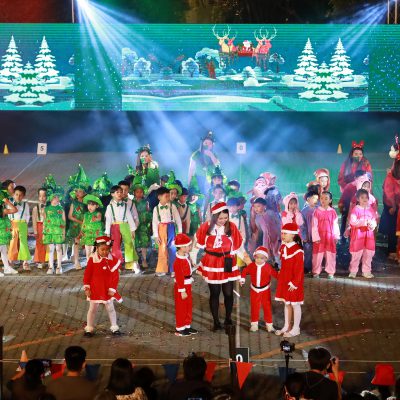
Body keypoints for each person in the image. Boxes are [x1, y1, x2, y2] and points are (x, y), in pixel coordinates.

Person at [195, 202, 242, 331]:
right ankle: (216, 322)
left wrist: (246, 261)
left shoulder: (231, 226)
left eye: (225, 218)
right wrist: (193, 259)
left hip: (227, 261)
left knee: (228, 293)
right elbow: (198, 244)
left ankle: (228, 318)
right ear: (214, 216)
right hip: (212, 263)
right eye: (220, 218)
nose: (223, 220)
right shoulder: (206, 227)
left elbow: (238, 244)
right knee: (215, 293)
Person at [83, 235, 122, 336]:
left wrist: (112, 289)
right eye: (102, 250)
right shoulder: (92, 259)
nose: (105, 252)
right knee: (92, 309)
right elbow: (87, 274)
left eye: (107, 250)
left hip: (107, 289)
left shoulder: (113, 260)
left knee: (110, 308)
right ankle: (89, 328)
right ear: (97, 248)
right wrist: (87, 287)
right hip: (95, 288)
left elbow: (115, 276)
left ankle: (114, 327)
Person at [275, 223, 304, 338]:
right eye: (282, 233)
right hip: (285, 279)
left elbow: (299, 269)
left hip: (294, 281)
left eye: (285, 233)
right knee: (287, 303)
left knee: (295, 304)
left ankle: (296, 328)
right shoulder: (283, 247)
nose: (282, 235)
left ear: (293, 235)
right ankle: (287, 326)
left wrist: (295, 283)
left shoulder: (298, 250)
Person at [240, 246, 278, 332]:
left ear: (266, 259)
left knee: (267, 307)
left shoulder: (268, 267)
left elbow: (276, 275)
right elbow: (245, 271)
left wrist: (285, 280)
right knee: (254, 307)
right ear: (254, 257)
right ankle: (254, 324)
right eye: (257, 257)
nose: (259, 260)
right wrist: (242, 279)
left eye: (262, 258)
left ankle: (269, 325)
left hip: (265, 291)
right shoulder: (252, 266)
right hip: (254, 290)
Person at [105, 185, 140, 274]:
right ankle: (117, 265)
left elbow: (129, 217)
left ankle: (132, 265)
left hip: (125, 225)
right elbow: (108, 220)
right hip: (114, 226)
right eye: (117, 192)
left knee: (129, 244)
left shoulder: (125, 205)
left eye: (121, 192)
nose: (120, 194)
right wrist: (107, 233)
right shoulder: (109, 206)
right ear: (112, 194)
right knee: (115, 246)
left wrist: (132, 229)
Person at [152, 187, 182, 277]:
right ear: (159, 197)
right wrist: (156, 236)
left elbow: (178, 219)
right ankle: (162, 269)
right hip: (161, 229)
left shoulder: (172, 206)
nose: (169, 198)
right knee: (162, 250)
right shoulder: (156, 209)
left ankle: (173, 270)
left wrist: (180, 232)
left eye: (169, 196)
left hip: (171, 228)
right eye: (166, 196)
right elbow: (154, 223)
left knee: (172, 249)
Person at [348, 189, 378, 279]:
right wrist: (364, 222)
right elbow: (352, 221)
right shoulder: (355, 209)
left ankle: (366, 271)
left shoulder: (371, 209)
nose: (365, 199)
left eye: (366, 197)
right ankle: (353, 271)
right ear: (358, 199)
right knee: (356, 254)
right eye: (362, 197)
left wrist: (372, 225)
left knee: (368, 254)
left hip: (368, 236)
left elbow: (374, 220)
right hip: (358, 236)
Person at [173, 233, 198, 336]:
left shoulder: (186, 257)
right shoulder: (178, 262)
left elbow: (187, 271)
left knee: (188, 306)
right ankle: (180, 328)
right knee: (181, 308)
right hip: (181, 287)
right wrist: (182, 291)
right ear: (182, 247)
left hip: (187, 285)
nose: (190, 247)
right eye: (188, 246)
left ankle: (187, 325)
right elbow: (179, 277)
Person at [312, 191, 340, 279]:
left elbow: (335, 225)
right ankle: (316, 272)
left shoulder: (333, 212)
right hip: (319, 238)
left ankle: (330, 272)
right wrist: (316, 237)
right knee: (317, 255)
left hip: (330, 238)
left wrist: (336, 236)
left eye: (326, 198)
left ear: (330, 200)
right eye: (321, 198)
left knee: (330, 255)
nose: (323, 200)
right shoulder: (317, 212)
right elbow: (314, 226)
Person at [380, 142, 400, 260]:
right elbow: (389, 192)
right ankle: (392, 250)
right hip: (392, 205)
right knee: (392, 228)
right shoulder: (390, 176)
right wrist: (393, 206)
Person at [188, 131, 220, 196]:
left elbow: (217, 166)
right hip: (199, 179)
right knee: (200, 196)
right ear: (202, 144)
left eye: (210, 143)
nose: (207, 145)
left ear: (212, 145)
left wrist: (211, 155)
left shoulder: (214, 155)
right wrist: (189, 183)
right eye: (206, 143)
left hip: (211, 180)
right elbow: (191, 170)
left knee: (209, 196)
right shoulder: (196, 154)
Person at [252, 197, 281, 266]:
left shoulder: (270, 213)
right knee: (267, 252)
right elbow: (260, 229)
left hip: (276, 236)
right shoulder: (257, 218)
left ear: (264, 206)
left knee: (277, 252)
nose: (256, 208)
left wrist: (280, 234)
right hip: (266, 238)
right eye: (255, 207)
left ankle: (281, 267)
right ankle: (271, 266)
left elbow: (278, 223)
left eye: (258, 206)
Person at [8, 185, 31, 271]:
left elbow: (28, 215)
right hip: (13, 224)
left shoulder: (25, 205)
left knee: (23, 243)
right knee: (12, 242)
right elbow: (8, 214)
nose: (18, 196)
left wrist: (25, 224)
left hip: (22, 224)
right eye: (16, 194)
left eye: (20, 195)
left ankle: (25, 261)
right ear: (13, 194)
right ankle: (11, 260)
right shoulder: (10, 204)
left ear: (23, 196)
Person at [43, 191, 66, 275]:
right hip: (49, 232)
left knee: (58, 249)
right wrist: (44, 233)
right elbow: (44, 222)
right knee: (51, 249)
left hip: (58, 232)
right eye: (55, 198)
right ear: (51, 199)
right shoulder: (46, 209)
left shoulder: (61, 209)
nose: (56, 199)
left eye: (57, 198)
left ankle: (59, 266)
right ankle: (51, 266)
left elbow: (64, 222)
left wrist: (63, 233)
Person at [132, 179, 152, 270]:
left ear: (143, 193)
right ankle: (136, 260)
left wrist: (145, 217)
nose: (139, 193)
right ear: (134, 193)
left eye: (141, 192)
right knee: (135, 243)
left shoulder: (146, 203)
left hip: (143, 226)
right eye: (137, 192)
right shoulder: (131, 203)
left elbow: (149, 214)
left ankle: (144, 259)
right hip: (134, 226)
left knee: (144, 242)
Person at [67, 185, 87, 270]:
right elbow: (70, 216)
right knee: (76, 243)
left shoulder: (87, 204)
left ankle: (88, 260)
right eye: (76, 191)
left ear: (84, 193)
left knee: (86, 243)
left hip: (85, 226)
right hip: (75, 226)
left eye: (80, 191)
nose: (77, 193)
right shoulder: (73, 203)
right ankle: (76, 261)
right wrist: (80, 222)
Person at [80, 193, 104, 265]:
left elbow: (99, 218)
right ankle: (89, 264)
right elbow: (83, 223)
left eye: (92, 205)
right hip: (87, 235)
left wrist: (96, 219)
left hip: (95, 236)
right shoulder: (86, 214)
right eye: (89, 204)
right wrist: (81, 230)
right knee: (88, 252)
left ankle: (95, 265)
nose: (90, 206)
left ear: (97, 206)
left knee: (94, 251)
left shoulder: (98, 213)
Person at [300, 190, 319, 274]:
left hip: (318, 236)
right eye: (314, 198)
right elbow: (302, 225)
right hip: (308, 236)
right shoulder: (304, 211)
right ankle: (307, 267)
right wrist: (304, 236)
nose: (316, 200)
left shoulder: (319, 210)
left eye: (317, 199)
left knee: (317, 251)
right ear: (308, 199)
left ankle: (316, 267)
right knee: (308, 251)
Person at [0, 190, 18, 275]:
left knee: (4, 250)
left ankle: (7, 268)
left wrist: (7, 202)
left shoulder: (3, 210)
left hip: (3, 234)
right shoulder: (4, 211)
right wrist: (8, 202)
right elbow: (15, 210)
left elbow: (14, 210)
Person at [32, 188, 48, 270]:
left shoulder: (49, 207)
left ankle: (48, 259)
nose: (42, 198)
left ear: (47, 197)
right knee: (40, 244)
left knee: (48, 244)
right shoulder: (35, 208)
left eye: (44, 196)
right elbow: (34, 219)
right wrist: (35, 231)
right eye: (40, 196)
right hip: (39, 226)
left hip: (48, 226)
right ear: (38, 196)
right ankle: (41, 261)